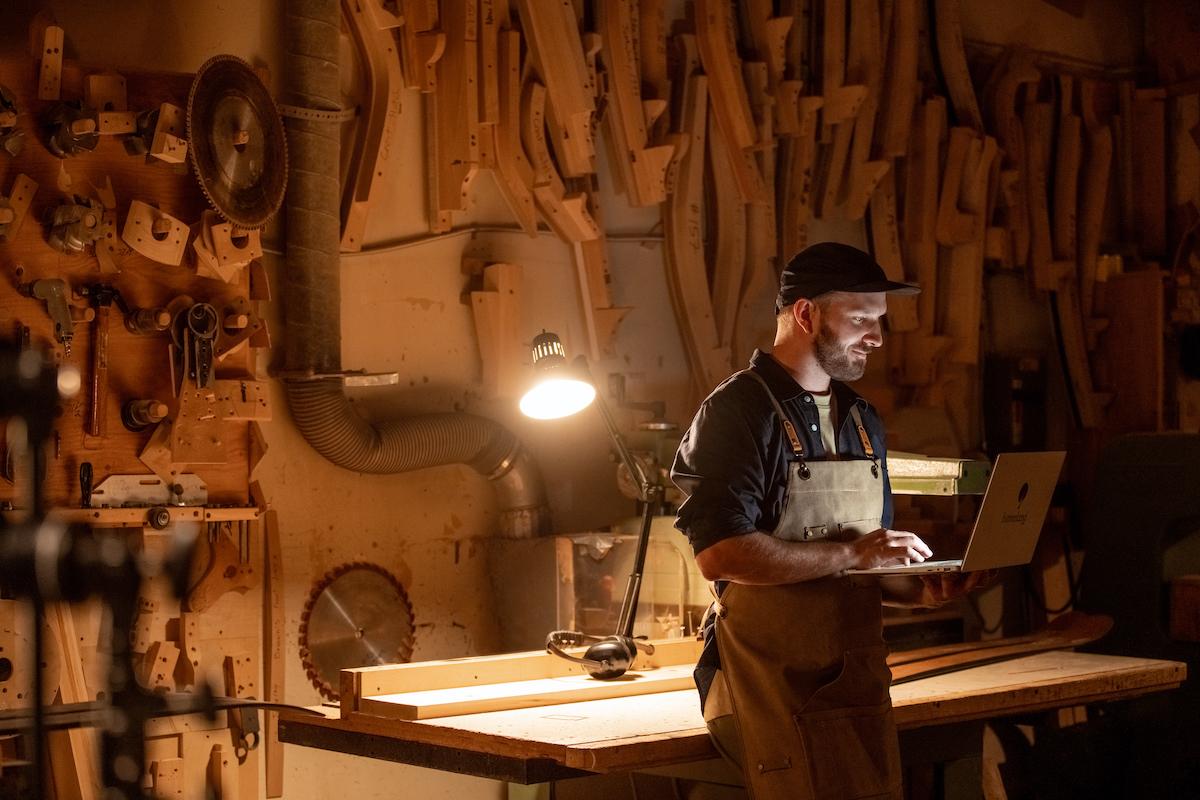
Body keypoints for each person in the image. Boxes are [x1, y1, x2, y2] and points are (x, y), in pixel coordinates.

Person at [671, 242, 991, 800]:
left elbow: (864, 568)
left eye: (880, 321)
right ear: (805, 314)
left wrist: (920, 590)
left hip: (856, 681)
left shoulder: (863, 420)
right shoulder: (737, 412)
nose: (876, 337)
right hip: (771, 687)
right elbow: (720, 554)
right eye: (861, 318)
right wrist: (853, 553)